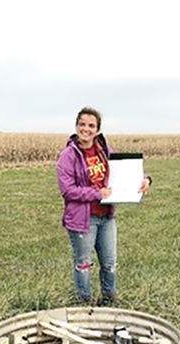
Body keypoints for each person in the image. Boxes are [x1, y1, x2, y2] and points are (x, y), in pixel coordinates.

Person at [56, 107, 150, 305]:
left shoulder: (103, 150)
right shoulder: (68, 155)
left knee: (109, 263)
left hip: (106, 217)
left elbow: (123, 170)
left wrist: (144, 179)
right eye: (82, 124)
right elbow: (67, 190)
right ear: (76, 126)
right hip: (83, 219)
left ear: (97, 130)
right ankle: (84, 304)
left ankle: (109, 301)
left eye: (91, 125)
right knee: (83, 264)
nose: (86, 129)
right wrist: (97, 193)